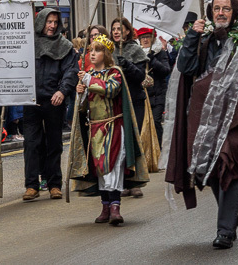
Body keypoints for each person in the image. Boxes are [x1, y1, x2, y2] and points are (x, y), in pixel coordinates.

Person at [166, 0, 238, 249]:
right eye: (217, 9)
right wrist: (191, 37)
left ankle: (225, 231)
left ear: (234, 13)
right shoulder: (202, 41)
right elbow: (186, 69)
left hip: (233, 117)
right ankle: (229, 216)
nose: (221, 13)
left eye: (226, 9)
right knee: (207, 171)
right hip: (202, 118)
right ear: (210, 13)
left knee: (228, 166)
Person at [70, 34, 149, 225]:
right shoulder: (88, 75)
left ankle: (115, 207)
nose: (93, 54)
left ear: (106, 53)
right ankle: (105, 206)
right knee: (100, 169)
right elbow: (82, 108)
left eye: (97, 50)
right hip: (95, 128)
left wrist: (89, 82)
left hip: (114, 126)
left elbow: (111, 90)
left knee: (113, 167)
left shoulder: (114, 72)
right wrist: (80, 94)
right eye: (91, 50)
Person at [22, 7, 78, 201]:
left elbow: (71, 71)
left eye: (55, 22)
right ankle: (31, 185)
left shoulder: (65, 46)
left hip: (54, 101)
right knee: (31, 143)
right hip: (31, 101)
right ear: (42, 22)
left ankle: (54, 184)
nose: (52, 26)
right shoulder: (28, 43)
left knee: (54, 143)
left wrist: (62, 91)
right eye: (49, 21)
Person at [110, 17, 148, 197]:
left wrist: (127, 65)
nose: (116, 32)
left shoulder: (135, 50)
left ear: (127, 31)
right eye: (114, 29)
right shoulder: (108, 50)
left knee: (133, 140)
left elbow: (141, 76)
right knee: (120, 143)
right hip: (116, 103)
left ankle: (135, 181)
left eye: (120, 29)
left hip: (134, 101)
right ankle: (122, 181)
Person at [137, 27, 171, 146]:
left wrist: (153, 61)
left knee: (156, 122)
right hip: (142, 96)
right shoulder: (136, 54)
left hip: (157, 95)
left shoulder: (159, 53)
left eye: (147, 37)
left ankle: (159, 149)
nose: (145, 40)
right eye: (142, 38)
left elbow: (166, 70)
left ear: (153, 39)